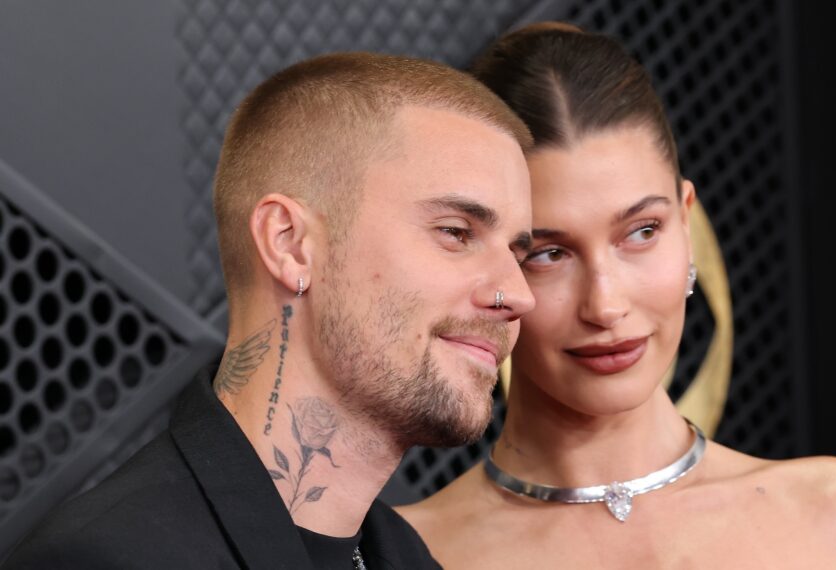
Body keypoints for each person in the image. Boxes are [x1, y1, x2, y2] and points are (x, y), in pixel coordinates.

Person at [397, 23, 836, 569]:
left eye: (641, 232)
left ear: (686, 225)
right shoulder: (410, 555)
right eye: (548, 254)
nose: (606, 307)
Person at [4, 52, 536, 569]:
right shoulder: (110, 558)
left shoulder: (404, 557)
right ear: (289, 244)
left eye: (518, 253)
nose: (518, 294)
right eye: (456, 232)